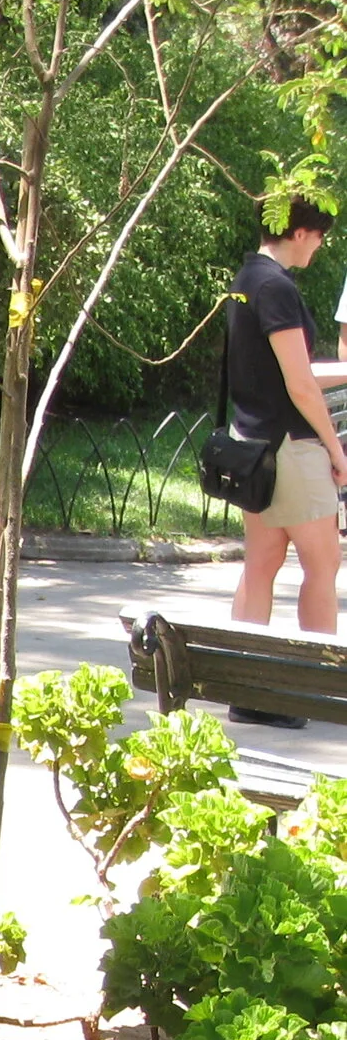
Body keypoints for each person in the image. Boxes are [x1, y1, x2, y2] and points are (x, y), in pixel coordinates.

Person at [227, 197, 347, 726]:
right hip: (291, 451)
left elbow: (285, 372)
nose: (321, 245)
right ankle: (311, 691)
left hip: (253, 447)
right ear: (299, 232)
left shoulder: (247, 277)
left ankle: (244, 689)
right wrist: (336, 449)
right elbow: (298, 384)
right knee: (324, 566)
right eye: (319, 234)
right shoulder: (277, 287)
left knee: (261, 566)